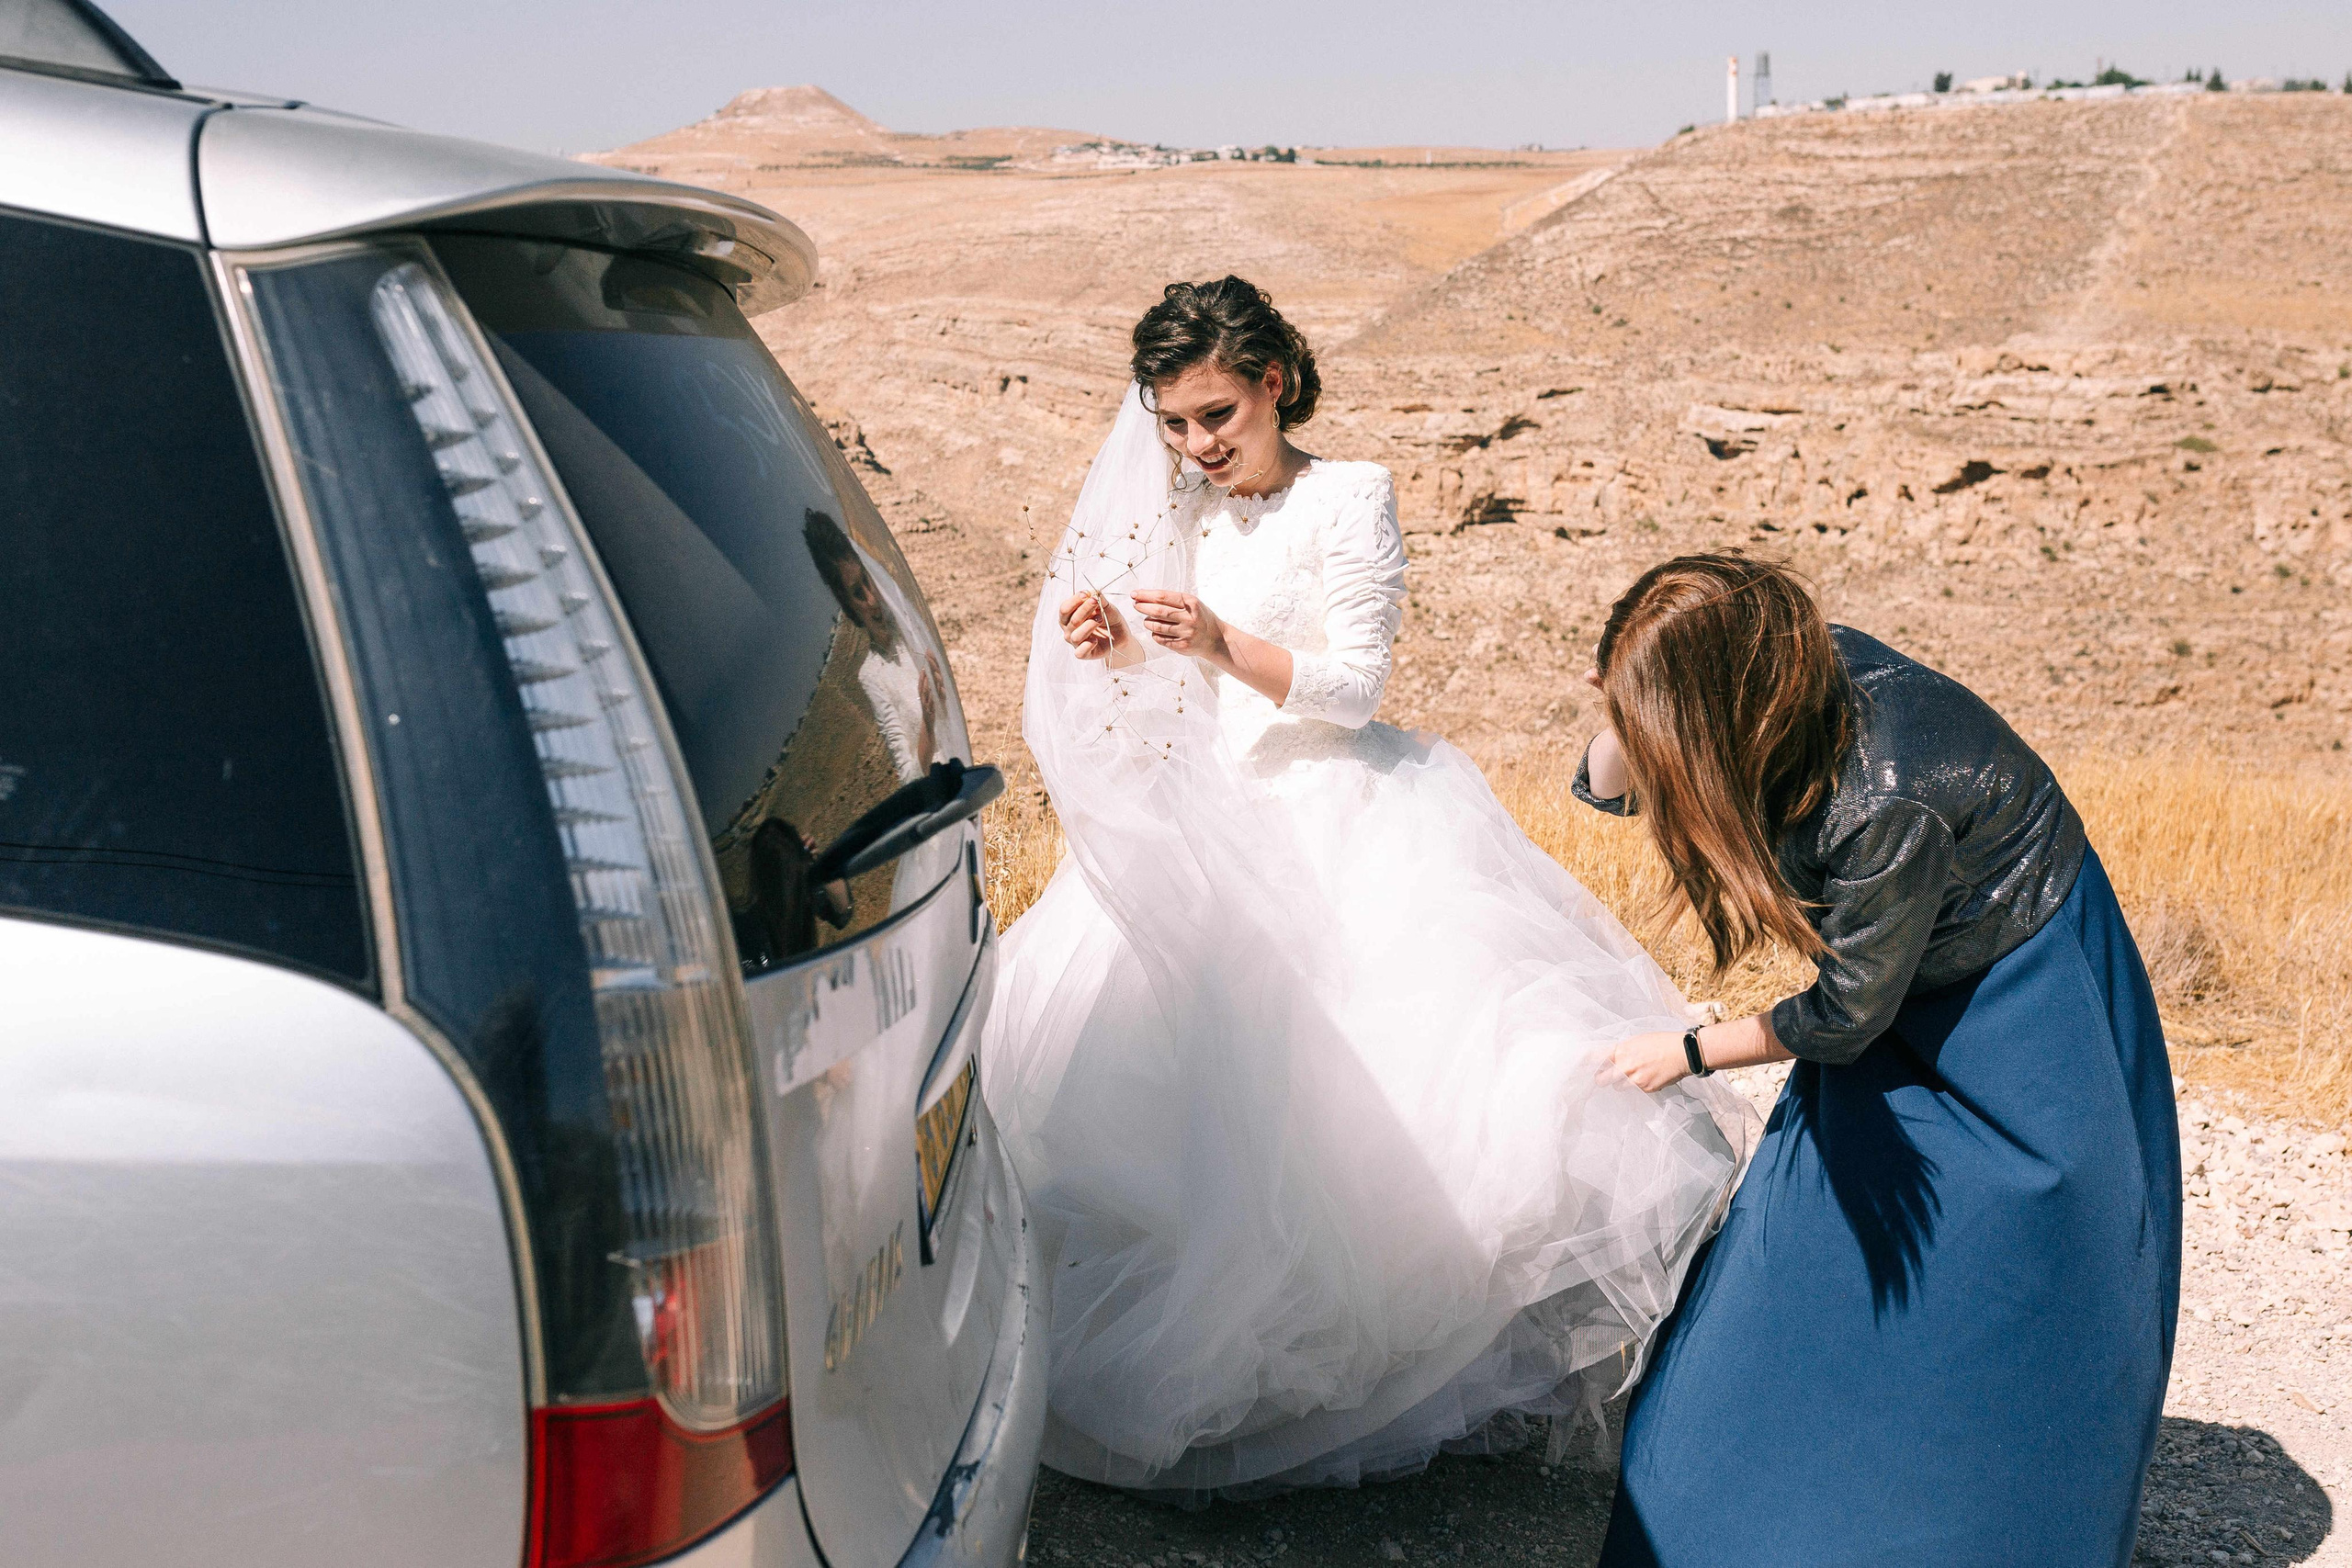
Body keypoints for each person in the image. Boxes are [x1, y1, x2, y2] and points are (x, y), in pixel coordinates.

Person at [980, 276, 1752, 1498]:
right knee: (1169, 1106)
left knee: (1370, 1119)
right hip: (1208, 821)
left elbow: (1351, 684)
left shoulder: (1350, 496)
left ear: (1274, 380)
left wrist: (1219, 640)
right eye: (1175, 423)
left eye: (1217, 414)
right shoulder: (1186, 509)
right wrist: (1117, 646)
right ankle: (1219, 1381)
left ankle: (1372, 1385)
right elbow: (1173, 687)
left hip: (1337, 815)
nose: (1196, 445)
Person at [1575, 556, 2180, 1567]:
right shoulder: (1776, 686)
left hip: (2014, 1005)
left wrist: (1685, 1050)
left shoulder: (1883, 802)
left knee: (2010, 1279)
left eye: (1658, 724)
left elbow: (1846, 1016)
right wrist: (1622, 707)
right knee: (1782, 1282)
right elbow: (1611, 781)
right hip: (1898, 966)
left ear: (1716, 715)